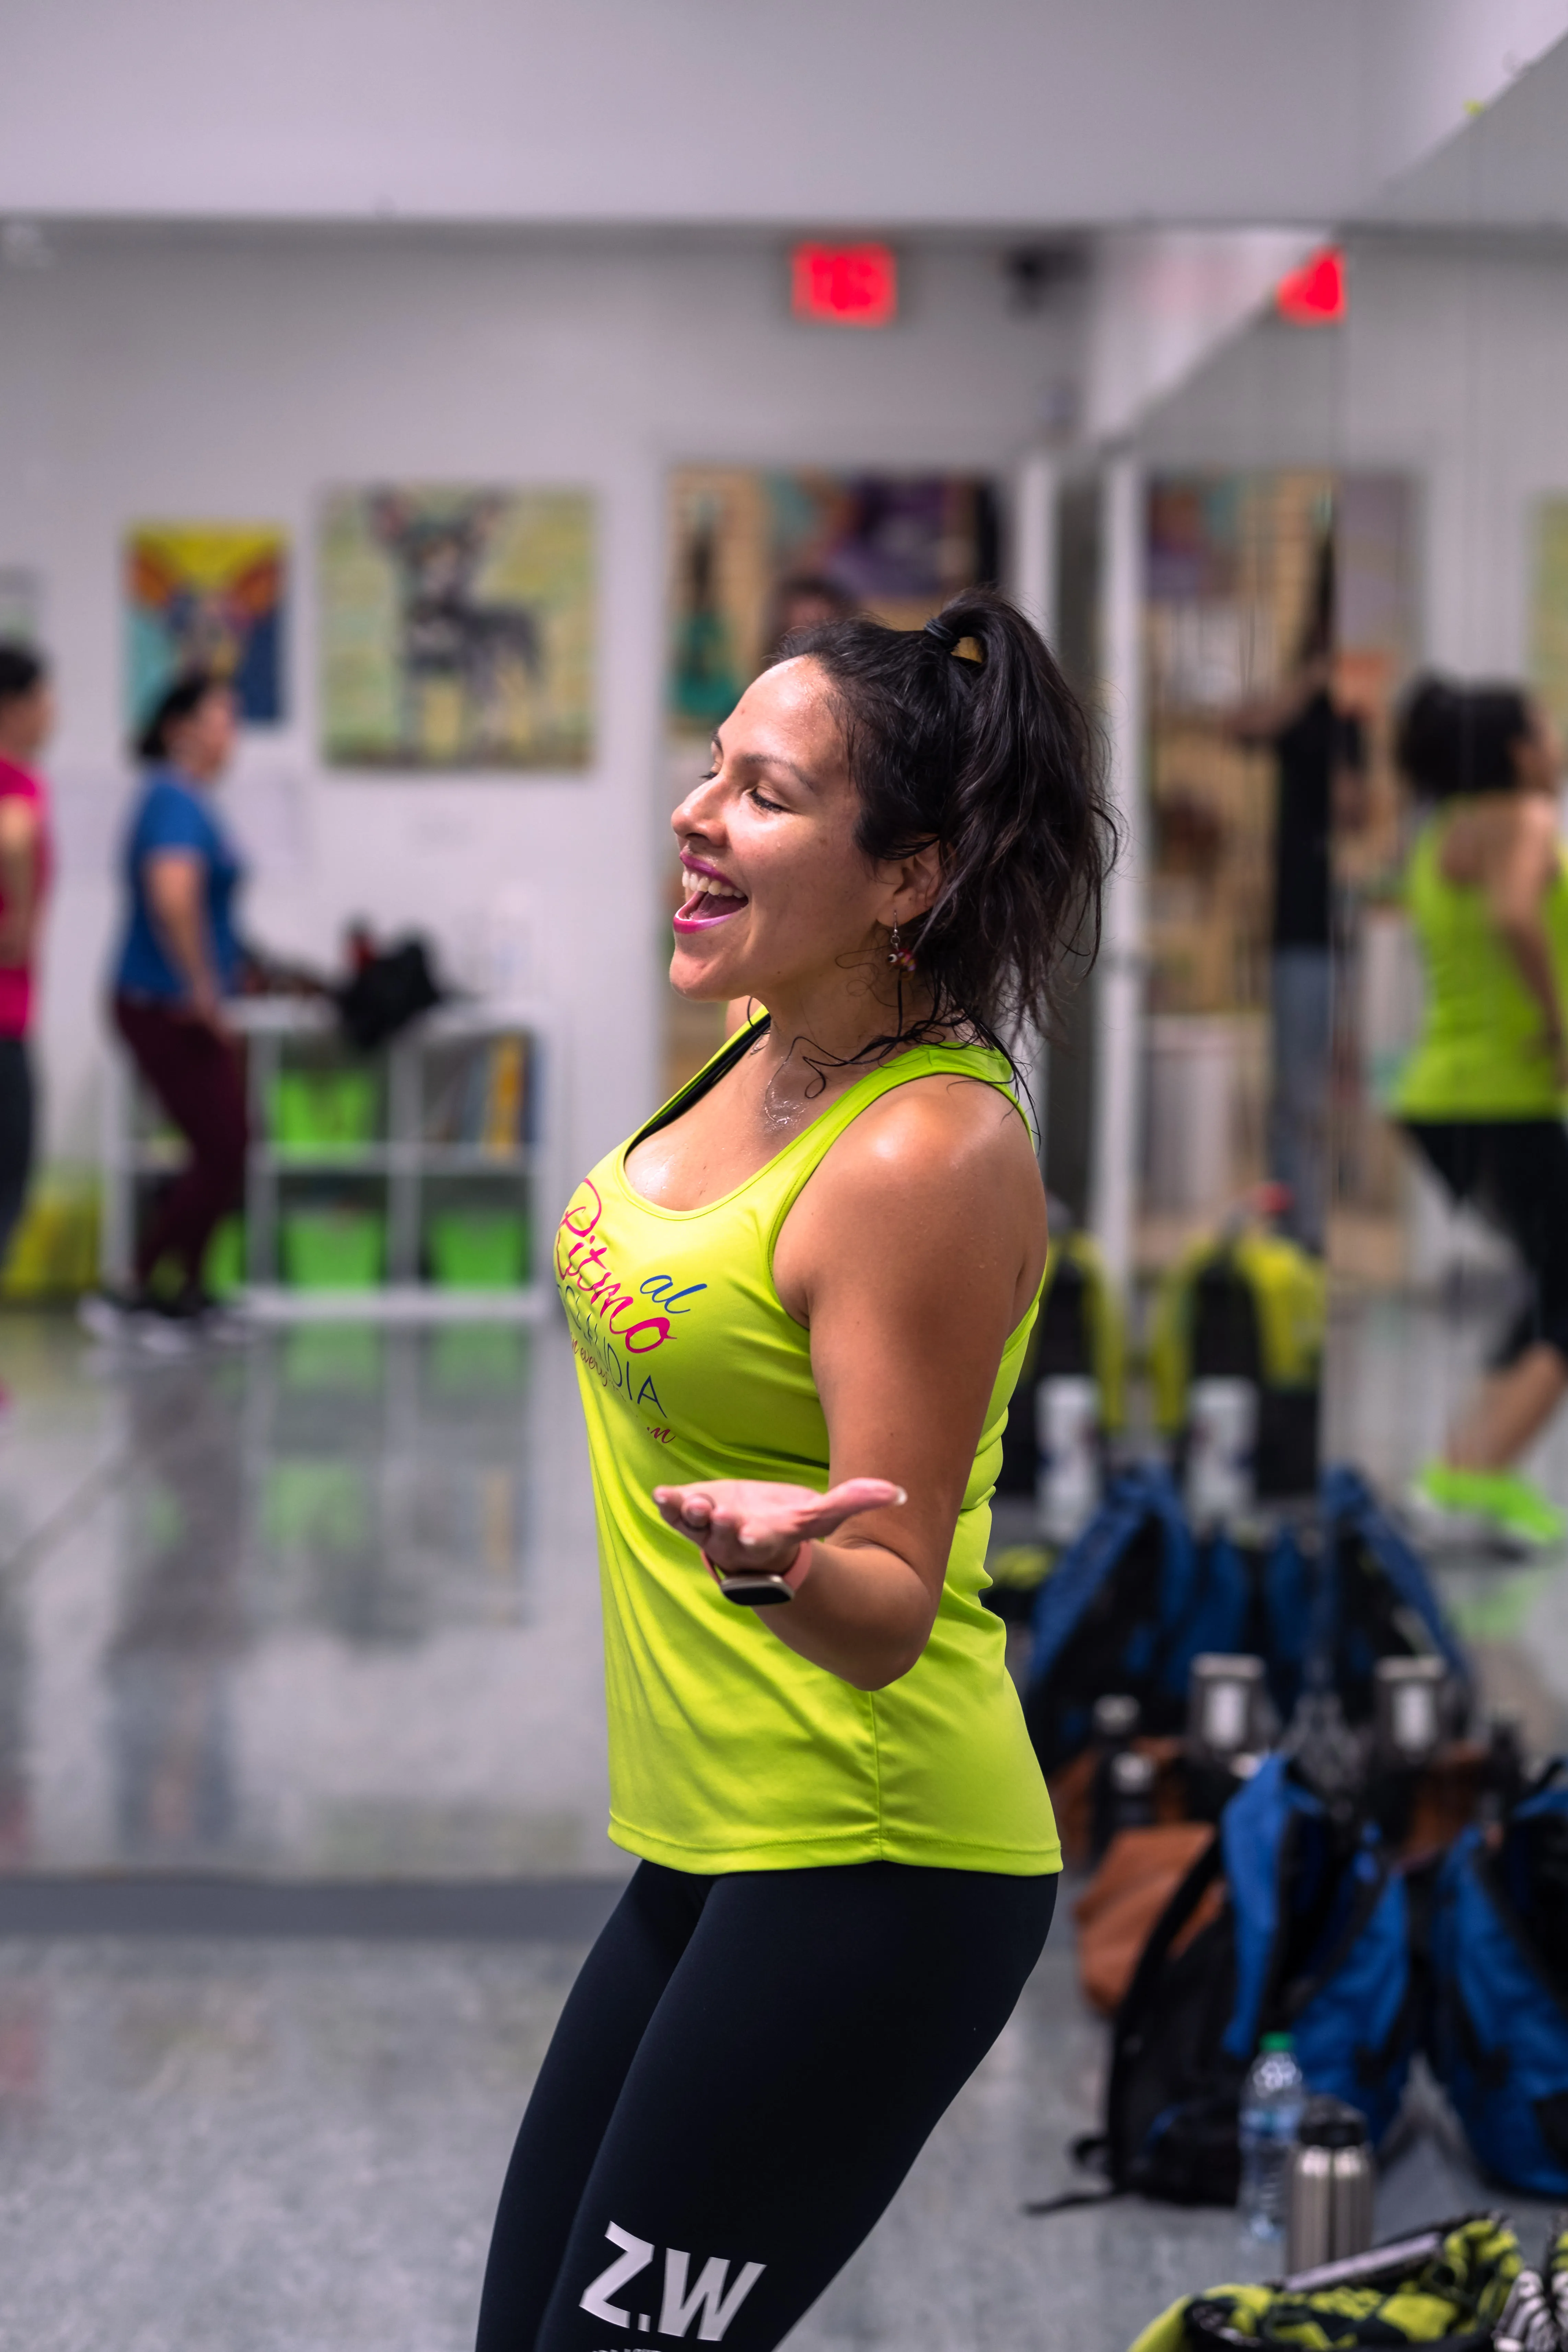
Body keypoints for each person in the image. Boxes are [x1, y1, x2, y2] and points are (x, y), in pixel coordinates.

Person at [475, 591, 1108, 2352]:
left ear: (906, 877)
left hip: (875, 1862)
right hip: (716, 1842)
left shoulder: (920, 1148)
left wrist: (770, 1552)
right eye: (709, 771)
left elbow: (893, 1608)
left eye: (760, 791)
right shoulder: (775, 1041)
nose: (695, 813)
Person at [1393, 674, 1568, 1549]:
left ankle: (1465, 1466)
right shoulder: (1526, 821)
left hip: (1442, 1098)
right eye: (1546, 730)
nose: (1557, 745)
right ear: (1514, 750)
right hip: (1508, 1092)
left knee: (1552, 1281)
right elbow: (1514, 917)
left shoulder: (1439, 836)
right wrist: (1558, 1026)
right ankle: (1472, 1474)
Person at [86, 672, 249, 1334]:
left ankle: (185, 1288)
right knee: (225, 1142)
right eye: (221, 719)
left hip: (167, 996)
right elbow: (173, 898)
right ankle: (133, 1287)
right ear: (181, 729)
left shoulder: (184, 799)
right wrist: (203, 990)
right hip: (164, 1000)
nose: (230, 734)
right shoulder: (175, 799)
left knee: (224, 1145)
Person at [1227, 541, 1366, 1255]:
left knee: (1333, 1087)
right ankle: (1296, 1229)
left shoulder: (1353, 717)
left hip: (1339, 921)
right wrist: (1310, 681)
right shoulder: (1296, 700)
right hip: (1295, 923)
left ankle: (1321, 1221)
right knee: (1294, 1090)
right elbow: (1244, 725)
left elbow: (1356, 809)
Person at [0, 644, 53, 1296]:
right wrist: (19, 919)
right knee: (9, 1179)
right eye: (45, 699)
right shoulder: (18, 785)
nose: (52, 714)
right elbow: (14, 834)